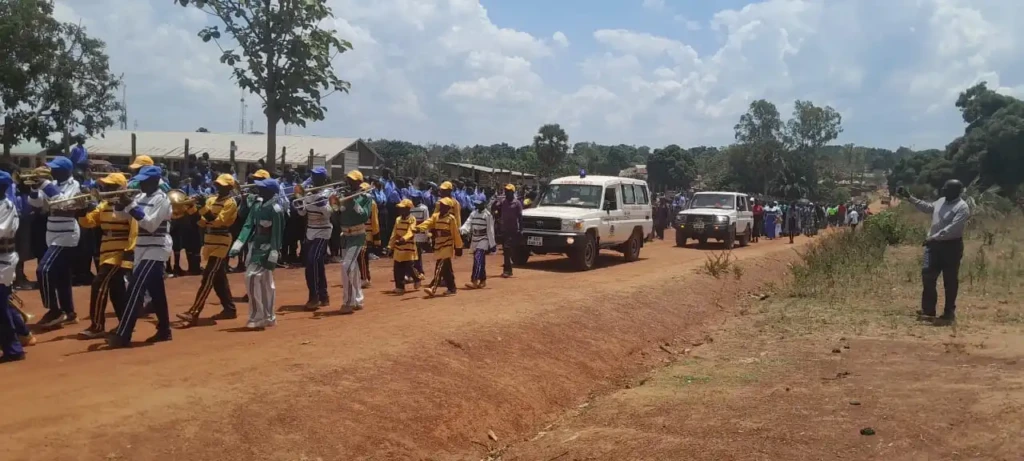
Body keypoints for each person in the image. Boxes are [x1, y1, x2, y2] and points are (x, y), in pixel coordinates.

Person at [108, 166, 173, 348]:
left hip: (157, 248)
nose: (140, 184)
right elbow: (121, 216)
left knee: (135, 288)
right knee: (156, 291)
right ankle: (164, 329)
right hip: (141, 247)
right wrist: (120, 204)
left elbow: (150, 224)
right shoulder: (140, 197)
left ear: (154, 181)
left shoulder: (163, 200)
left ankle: (123, 334)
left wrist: (130, 205)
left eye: (144, 181)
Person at [899, 180, 970, 325]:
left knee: (950, 280)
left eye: (946, 188)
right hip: (933, 246)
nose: (943, 190)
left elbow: (953, 228)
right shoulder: (941, 201)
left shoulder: (962, 207)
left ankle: (949, 312)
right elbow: (928, 207)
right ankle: (928, 310)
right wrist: (909, 197)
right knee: (927, 275)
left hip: (951, 247)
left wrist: (934, 238)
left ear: (956, 191)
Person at [76, 173, 136, 339]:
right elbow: (88, 222)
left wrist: (129, 254)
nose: (106, 189)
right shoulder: (104, 205)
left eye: (111, 187)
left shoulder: (129, 206)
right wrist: (81, 210)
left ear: (121, 188)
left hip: (119, 252)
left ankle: (97, 325)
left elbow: (135, 231)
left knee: (99, 284)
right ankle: (126, 321)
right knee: (116, 289)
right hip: (106, 251)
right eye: (106, 186)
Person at [177, 174, 239, 327]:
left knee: (208, 277)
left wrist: (203, 207)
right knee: (218, 278)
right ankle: (229, 309)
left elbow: (218, 221)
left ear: (230, 188)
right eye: (218, 184)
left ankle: (194, 312)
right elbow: (202, 223)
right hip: (210, 242)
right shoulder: (211, 200)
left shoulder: (230, 203)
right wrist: (192, 208)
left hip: (222, 242)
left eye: (223, 185)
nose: (219, 187)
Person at [30, 156, 82, 329]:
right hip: (51, 232)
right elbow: (36, 203)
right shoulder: (52, 184)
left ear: (66, 170)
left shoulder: (74, 185)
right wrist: (33, 188)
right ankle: (70, 312)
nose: (51, 171)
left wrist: (45, 184)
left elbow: (63, 203)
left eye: (55, 168)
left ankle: (54, 310)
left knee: (43, 270)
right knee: (62, 276)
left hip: (67, 235)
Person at [229, 178, 284, 330]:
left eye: (263, 188)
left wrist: (274, 252)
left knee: (251, 277)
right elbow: (248, 225)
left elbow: (277, 233)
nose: (259, 190)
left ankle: (257, 316)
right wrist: (238, 244)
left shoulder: (276, 209)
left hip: (267, 249)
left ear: (270, 192)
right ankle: (268, 316)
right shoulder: (258, 205)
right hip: (256, 247)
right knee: (266, 282)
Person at [298, 167, 335, 311]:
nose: (314, 179)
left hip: (323, 231)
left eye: (317, 177)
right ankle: (323, 296)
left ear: (324, 179)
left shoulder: (329, 192)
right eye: (313, 176)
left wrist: (320, 201)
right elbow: (302, 213)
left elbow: (329, 213)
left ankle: (314, 297)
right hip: (310, 231)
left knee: (312, 262)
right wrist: (300, 200)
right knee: (317, 264)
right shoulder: (307, 190)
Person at [410, 197, 463, 297]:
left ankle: (432, 287)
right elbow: (428, 223)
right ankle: (452, 288)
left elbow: (455, 234)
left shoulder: (451, 219)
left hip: (447, 246)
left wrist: (458, 247)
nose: (441, 207)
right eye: (440, 205)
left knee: (440, 266)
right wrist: (418, 228)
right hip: (438, 246)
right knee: (446, 269)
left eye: (443, 206)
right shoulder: (436, 216)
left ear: (448, 208)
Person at [337, 170, 371, 314]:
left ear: (358, 182)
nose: (348, 183)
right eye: (348, 180)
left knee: (346, 267)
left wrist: (352, 200)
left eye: (352, 181)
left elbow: (364, 215)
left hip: (357, 235)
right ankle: (358, 299)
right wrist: (334, 203)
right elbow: (335, 214)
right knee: (353, 269)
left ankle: (348, 301)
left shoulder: (365, 197)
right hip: (345, 236)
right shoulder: (342, 196)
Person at [0, 171, 26, 362]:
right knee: (4, 303)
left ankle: (14, 349)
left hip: (3, 261)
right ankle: (23, 333)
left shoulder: (6, 206)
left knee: (1, 307)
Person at [461, 197, 496, 289]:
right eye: (476, 204)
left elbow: (490, 230)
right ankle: (483, 280)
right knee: (480, 261)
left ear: (484, 204)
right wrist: (463, 230)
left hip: (483, 239)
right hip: (475, 238)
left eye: (479, 204)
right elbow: (468, 223)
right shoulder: (473, 213)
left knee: (477, 258)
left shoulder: (487, 215)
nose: (477, 206)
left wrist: (492, 244)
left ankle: (474, 280)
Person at [387, 199, 420, 294]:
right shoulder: (398, 219)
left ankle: (417, 278)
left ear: (408, 209)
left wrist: (404, 239)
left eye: (403, 208)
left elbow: (411, 231)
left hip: (409, 248)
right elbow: (394, 234)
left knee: (410, 267)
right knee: (397, 268)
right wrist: (390, 246)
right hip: (398, 248)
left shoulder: (412, 219)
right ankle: (400, 287)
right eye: (400, 208)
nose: (401, 210)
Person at [358, 182, 380, 289]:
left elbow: (375, 221)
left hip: (367, 233)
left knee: (361, 255)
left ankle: (364, 278)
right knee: (362, 257)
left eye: (363, 190)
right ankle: (365, 276)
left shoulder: (372, 203)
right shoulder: (357, 201)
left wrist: (376, 238)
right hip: (357, 232)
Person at [499, 184, 523, 278]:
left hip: (513, 230)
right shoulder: (503, 202)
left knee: (508, 249)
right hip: (504, 229)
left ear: (513, 192)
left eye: (508, 191)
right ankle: (508, 270)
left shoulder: (517, 203)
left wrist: (521, 229)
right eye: (506, 191)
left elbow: (520, 217)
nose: (506, 193)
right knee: (506, 250)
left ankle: (508, 270)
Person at [409, 190, 430, 276]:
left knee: (417, 252)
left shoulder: (424, 208)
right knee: (414, 253)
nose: (413, 200)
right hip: (412, 234)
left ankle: (418, 271)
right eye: (412, 198)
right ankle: (417, 270)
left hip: (420, 235)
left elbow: (426, 221)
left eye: (415, 198)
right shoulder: (410, 208)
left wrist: (427, 234)